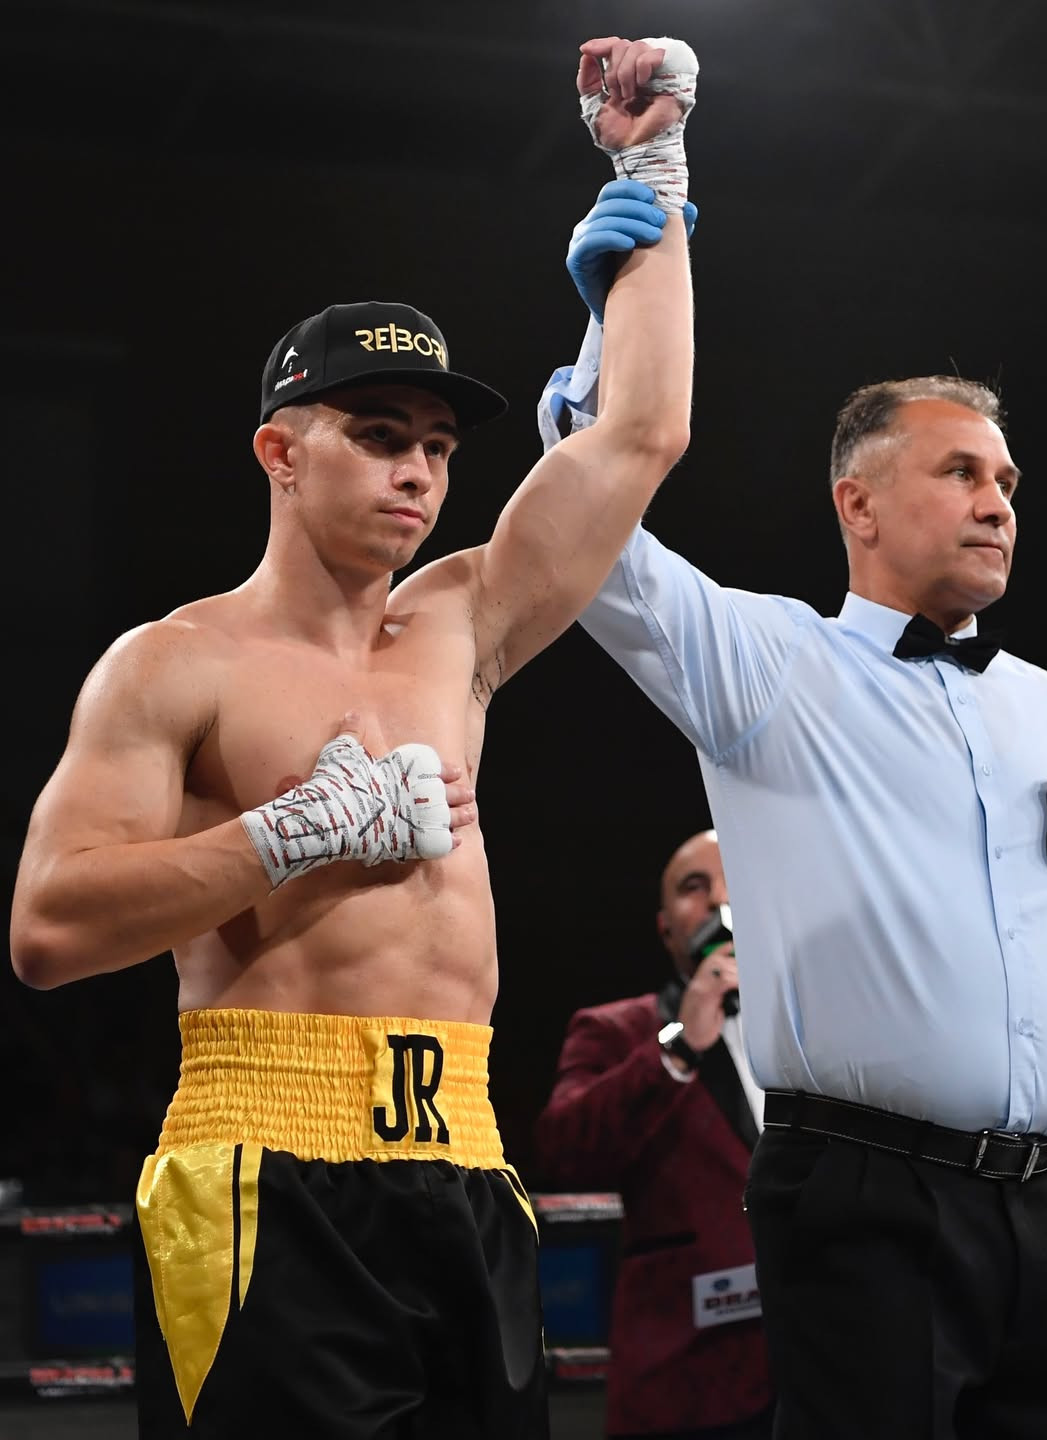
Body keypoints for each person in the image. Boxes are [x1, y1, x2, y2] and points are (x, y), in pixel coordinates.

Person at [8, 35, 697, 1440]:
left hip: (467, 1155)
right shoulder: (174, 663)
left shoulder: (460, 622)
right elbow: (49, 929)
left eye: (438, 446)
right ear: (281, 450)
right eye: (380, 433)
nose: (419, 471)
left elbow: (639, 437)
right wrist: (284, 838)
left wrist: (656, 171)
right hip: (265, 1166)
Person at [539, 244, 1047, 1434]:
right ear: (858, 503)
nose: (997, 503)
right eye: (960, 472)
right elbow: (593, 540)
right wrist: (621, 312)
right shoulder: (774, 666)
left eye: (1006, 480)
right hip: (867, 1195)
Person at [533, 829, 772, 1440]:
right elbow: (563, 1152)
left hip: (819, 1365)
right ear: (666, 929)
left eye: (733, 880)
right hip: (686, 1375)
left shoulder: (813, 1028)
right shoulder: (617, 1030)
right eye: (695, 887)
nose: (719, 900)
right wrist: (677, 1049)